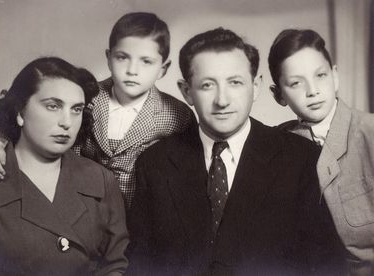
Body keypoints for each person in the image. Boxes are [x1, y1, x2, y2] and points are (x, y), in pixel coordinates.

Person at [127, 28, 345, 275]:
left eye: (235, 82)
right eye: (207, 85)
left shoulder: (301, 158)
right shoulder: (155, 164)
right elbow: (140, 265)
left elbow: (329, 265)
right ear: (187, 91)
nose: (223, 100)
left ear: (256, 86)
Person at [0, 12, 195, 209]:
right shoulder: (85, 96)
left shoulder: (177, 116)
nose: (132, 70)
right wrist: (0, 141)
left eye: (146, 62)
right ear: (109, 58)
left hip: (139, 215)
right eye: (122, 57)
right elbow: (25, 119)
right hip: (79, 204)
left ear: (163, 69)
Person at [0, 57, 129, 275]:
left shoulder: (101, 180)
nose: (67, 121)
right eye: (53, 106)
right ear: (20, 112)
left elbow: (116, 265)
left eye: (76, 109)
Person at [268, 29, 374, 275]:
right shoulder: (276, 145)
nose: (312, 91)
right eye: (296, 83)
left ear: (335, 76)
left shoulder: (369, 133)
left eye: (321, 76)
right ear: (278, 95)